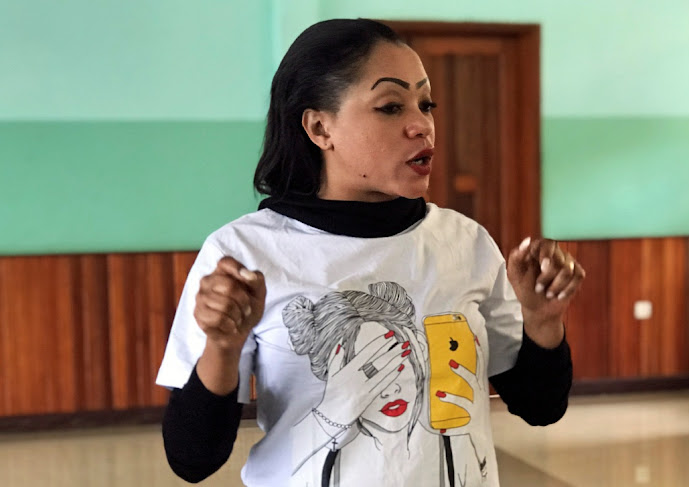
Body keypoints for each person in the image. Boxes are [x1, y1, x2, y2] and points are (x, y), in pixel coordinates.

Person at [156, 18, 584, 487]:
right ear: (320, 127)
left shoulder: (465, 242)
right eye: (390, 107)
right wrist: (222, 345)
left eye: (426, 104)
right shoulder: (245, 252)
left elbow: (541, 406)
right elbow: (191, 459)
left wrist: (542, 321)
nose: (422, 125)